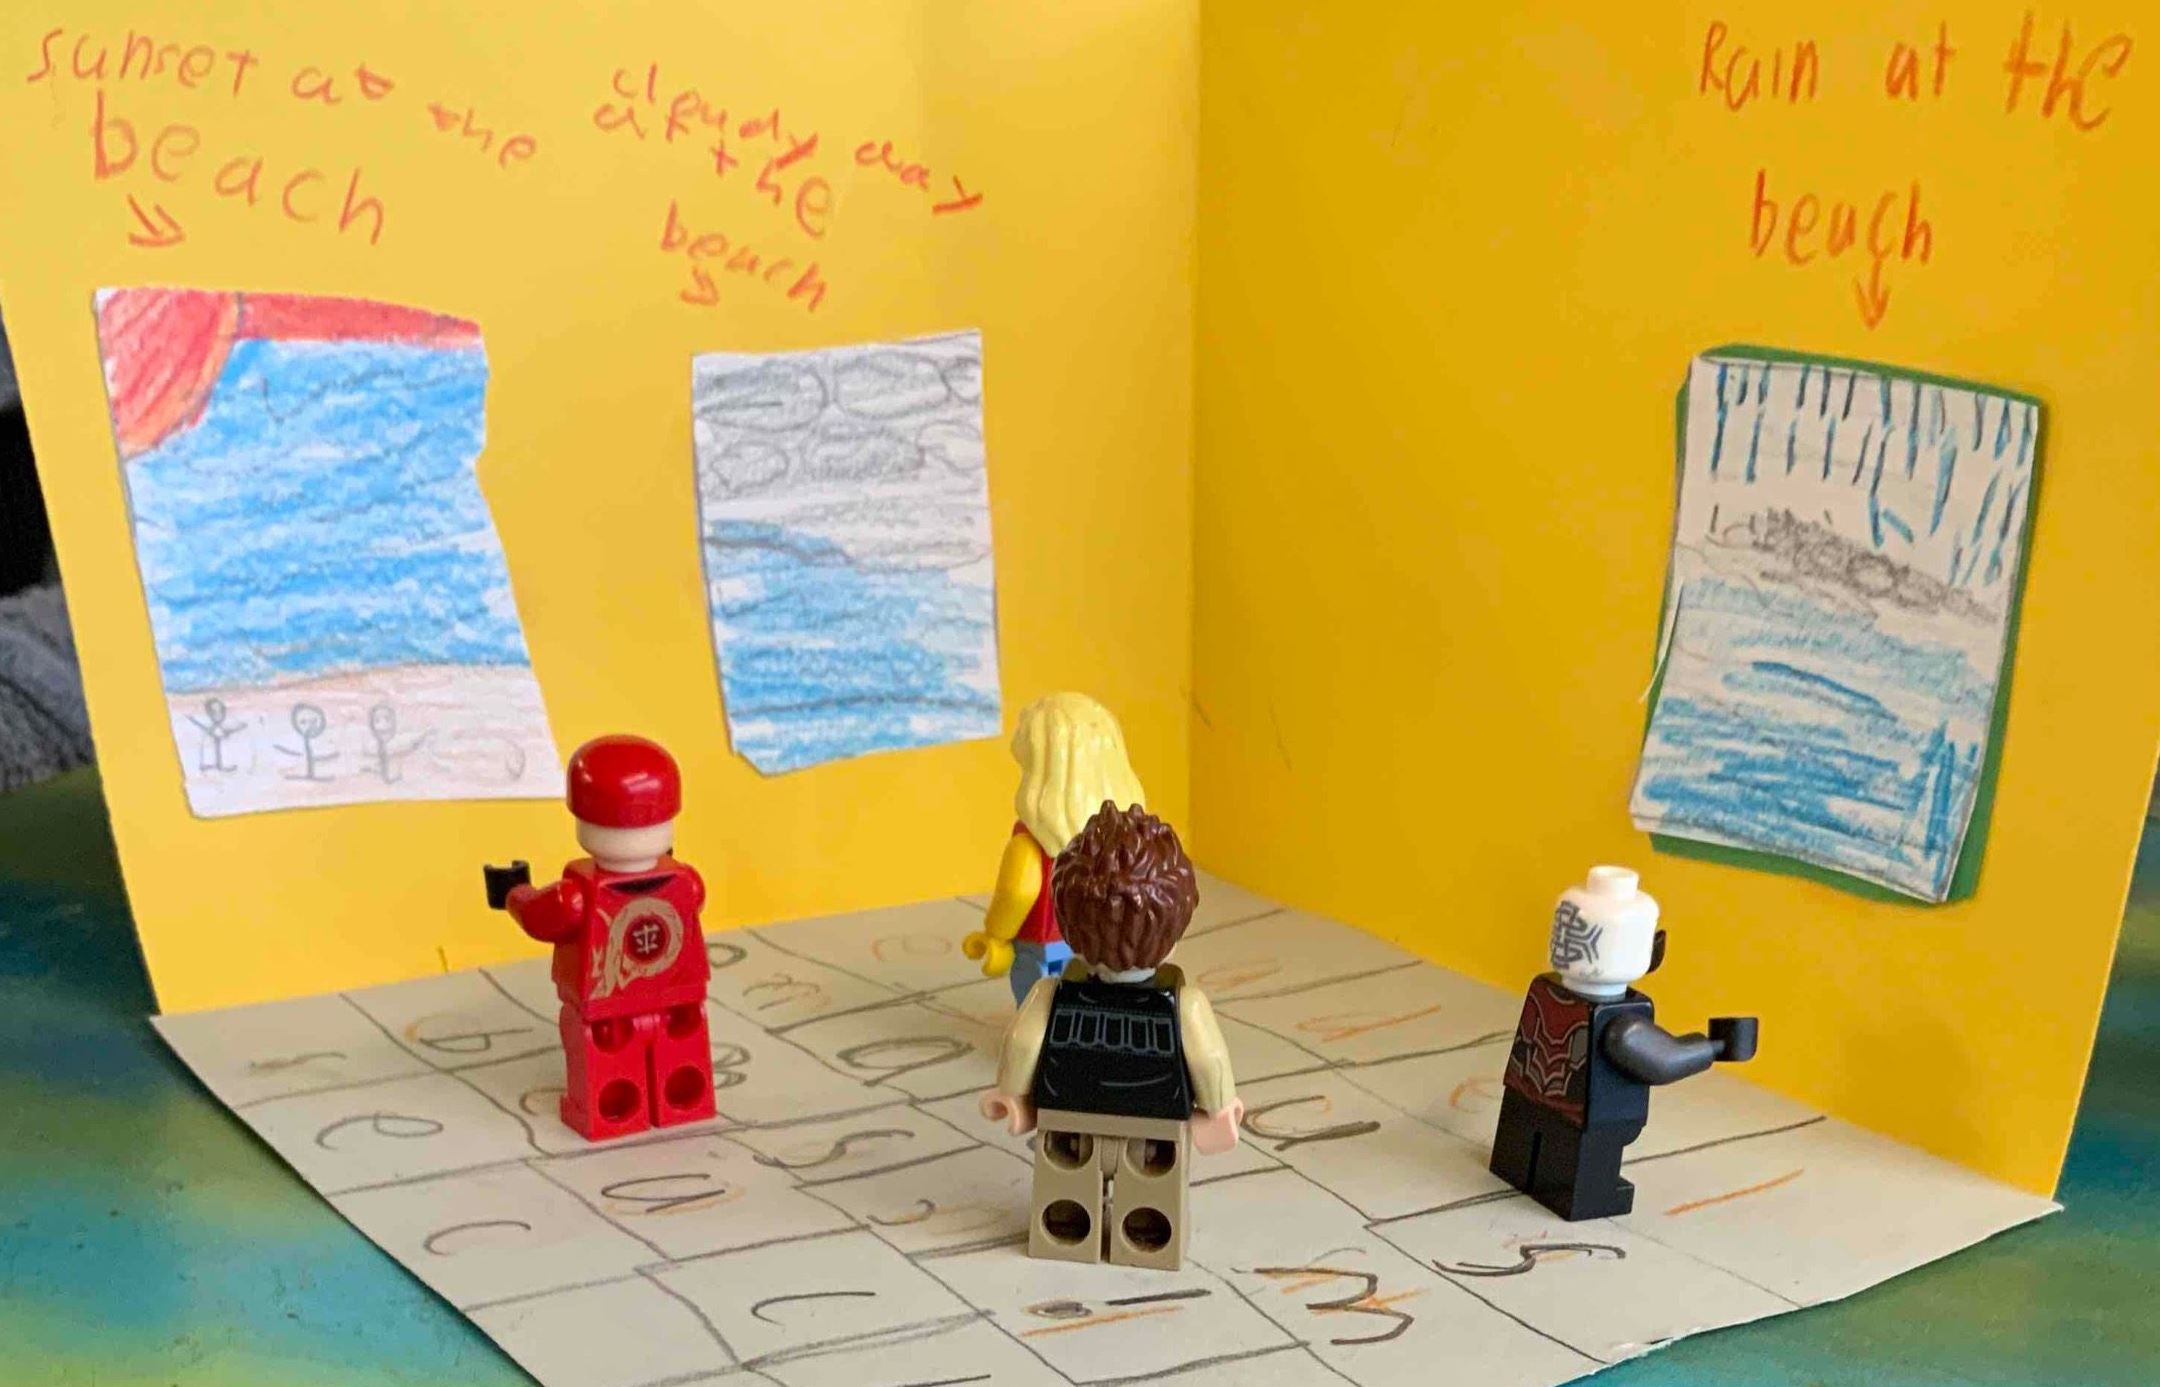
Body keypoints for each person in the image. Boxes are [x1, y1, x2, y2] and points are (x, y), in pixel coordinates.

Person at [981, 801, 1240, 1268]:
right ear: (1176, 927)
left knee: (1065, 1191)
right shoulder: (1184, 1003)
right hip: (1154, 1119)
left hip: (1069, 1111)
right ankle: (1144, 1243)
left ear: (1070, 927)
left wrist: (1014, 1098)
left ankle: (1065, 1234)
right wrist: (1219, 1112)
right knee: (1150, 1199)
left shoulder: (1051, 993)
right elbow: (1209, 1061)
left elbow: (1022, 1043)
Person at [1489, 865, 1758, 1219]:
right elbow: (1663, 1060)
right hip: (1590, 1121)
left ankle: (1519, 1168)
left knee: (1527, 1140)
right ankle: (1593, 1193)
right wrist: (1715, 1047)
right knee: (1591, 1163)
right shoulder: (1621, 1022)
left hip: (1528, 1096)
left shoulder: (1547, 991)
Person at [483, 735, 715, 1141]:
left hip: (611, 1008)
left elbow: (539, 917)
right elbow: (694, 901)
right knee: (674, 1061)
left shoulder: (574, 896)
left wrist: (513, 891)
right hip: (677, 1004)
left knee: (608, 1067)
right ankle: (678, 1102)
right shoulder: (687, 881)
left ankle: (620, 1112)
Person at [962, 692, 1145, 1004]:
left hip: (1045, 948)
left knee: (1040, 1011)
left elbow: (1018, 891)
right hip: (1109, 946)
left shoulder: (1031, 841)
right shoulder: (1127, 836)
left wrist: (995, 935)